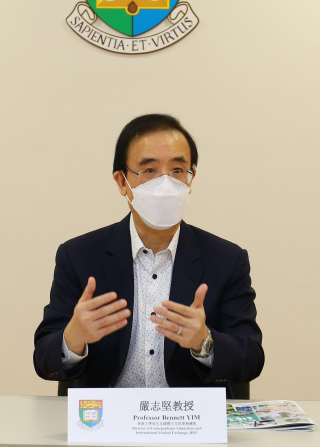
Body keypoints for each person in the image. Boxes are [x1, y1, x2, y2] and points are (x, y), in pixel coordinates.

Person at [33, 114, 264, 390]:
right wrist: (73, 338)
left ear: (191, 179)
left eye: (177, 170)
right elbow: (44, 362)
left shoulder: (226, 260)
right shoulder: (79, 256)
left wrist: (204, 342)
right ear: (122, 182)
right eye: (150, 170)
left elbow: (250, 359)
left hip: (186, 414)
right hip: (107, 415)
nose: (165, 183)